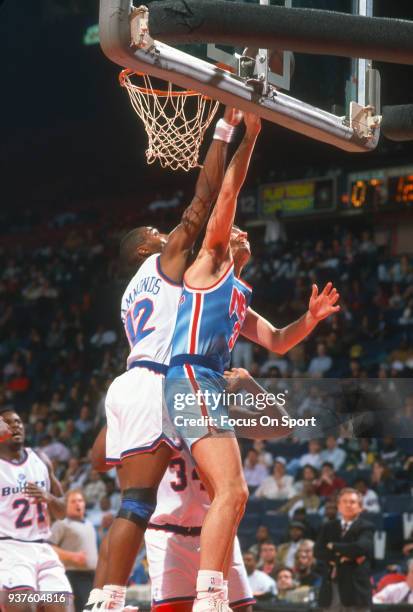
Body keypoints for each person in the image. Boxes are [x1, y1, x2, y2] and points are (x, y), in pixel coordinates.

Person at [165, 110, 340, 610]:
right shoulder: (211, 262)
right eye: (232, 225)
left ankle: (213, 592)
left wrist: (310, 319)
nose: (238, 228)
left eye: (242, 229)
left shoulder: (238, 294)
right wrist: (250, 133)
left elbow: (280, 342)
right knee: (235, 491)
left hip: (208, 383)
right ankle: (209, 595)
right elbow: (227, 192)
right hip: (192, 376)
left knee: (235, 495)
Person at [85, 107, 243, 611]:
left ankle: (103, 598)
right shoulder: (162, 261)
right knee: (141, 504)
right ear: (140, 251)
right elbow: (203, 200)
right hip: (159, 380)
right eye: (153, 232)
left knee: (130, 502)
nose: (162, 232)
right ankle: (128, 598)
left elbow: (94, 460)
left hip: (128, 382)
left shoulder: (130, 295)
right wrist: (223, 130)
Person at [88, 427, 254, 612]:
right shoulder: (147, 411)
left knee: (240, 608)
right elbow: (99, 461)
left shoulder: (206, 407)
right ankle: (106, 601)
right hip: (167, 533)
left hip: (217, 531)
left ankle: (107, 601)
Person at [0, 409, 72, 611]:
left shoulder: (40, 459)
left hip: (44, 548)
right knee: (22, 605)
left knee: (61, 605)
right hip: (10, 549)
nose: (15, 425)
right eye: (8, 423)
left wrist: (48, 498)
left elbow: (63, 511)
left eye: (18, 421)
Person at [314, 487, 374, 612]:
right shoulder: (328, 526)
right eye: (344, 501)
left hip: (356, 591)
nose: (348, 505)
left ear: (360, 507)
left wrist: (333, 546)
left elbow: (360, 548)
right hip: (331, 588)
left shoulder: (366, 527)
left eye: (352, 502)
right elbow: (318, 551)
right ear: (338, 506)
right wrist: (343, 557)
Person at [51, 490, 98, 612]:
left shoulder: (89, 524)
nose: (77, 504)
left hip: (92, 576)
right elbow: (48, 548)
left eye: (80, 501)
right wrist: (71, 556)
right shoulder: (61, 524)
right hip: (73, 576)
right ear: (65, 505)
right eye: (73, 501)